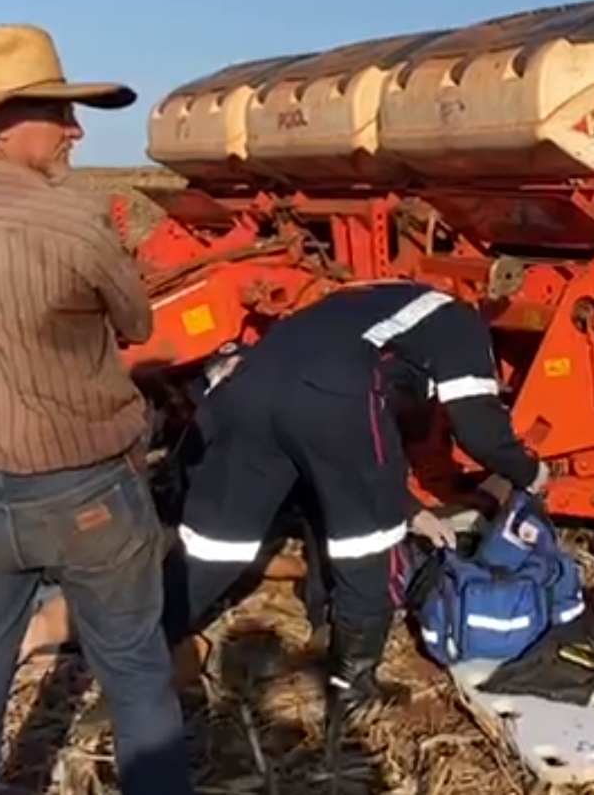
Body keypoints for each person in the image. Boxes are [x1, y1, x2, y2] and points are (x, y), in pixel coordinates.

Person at [0, 24, 195, 795]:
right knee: (136, 671)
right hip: (83, 490)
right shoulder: (67, 217)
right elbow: (139, 325)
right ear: (6, 119)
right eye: (61, 115)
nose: (76, 130)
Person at [171, 280, 549, 737]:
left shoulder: (357, 305)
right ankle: (353, 689)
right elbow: (478, 428)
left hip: (245, 390)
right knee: (366, 545)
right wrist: (531, 474)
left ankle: (138, 646)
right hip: (330, 399)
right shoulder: (461, 323)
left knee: (218, 546)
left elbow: (337, 459)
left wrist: (412, 509)